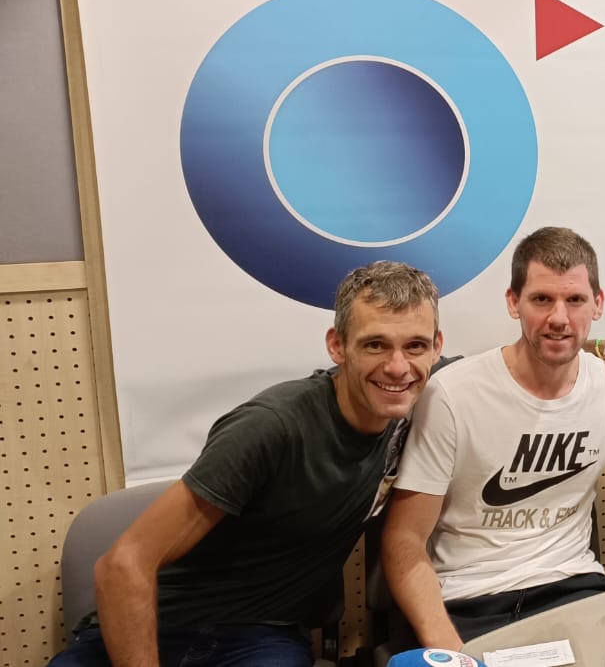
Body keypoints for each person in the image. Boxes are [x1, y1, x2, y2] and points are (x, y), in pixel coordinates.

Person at [50, 261, 445, 667]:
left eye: (415, 346)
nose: (397, 367)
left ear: (436, 347)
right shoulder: (271, 426)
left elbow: (488, 370)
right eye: (375, 345)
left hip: (264, 635)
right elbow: (122, 566)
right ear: (337, 346)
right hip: (162, 623)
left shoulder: (428, 401)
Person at [383, 227, 605, 648]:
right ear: (513, 302)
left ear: (598, 303)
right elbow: (404, 539)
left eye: (575, 300)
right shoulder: (453, 393)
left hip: (574, 593)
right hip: (468, 604)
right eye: (541, 299)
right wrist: (448, 647)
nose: (559, 318)